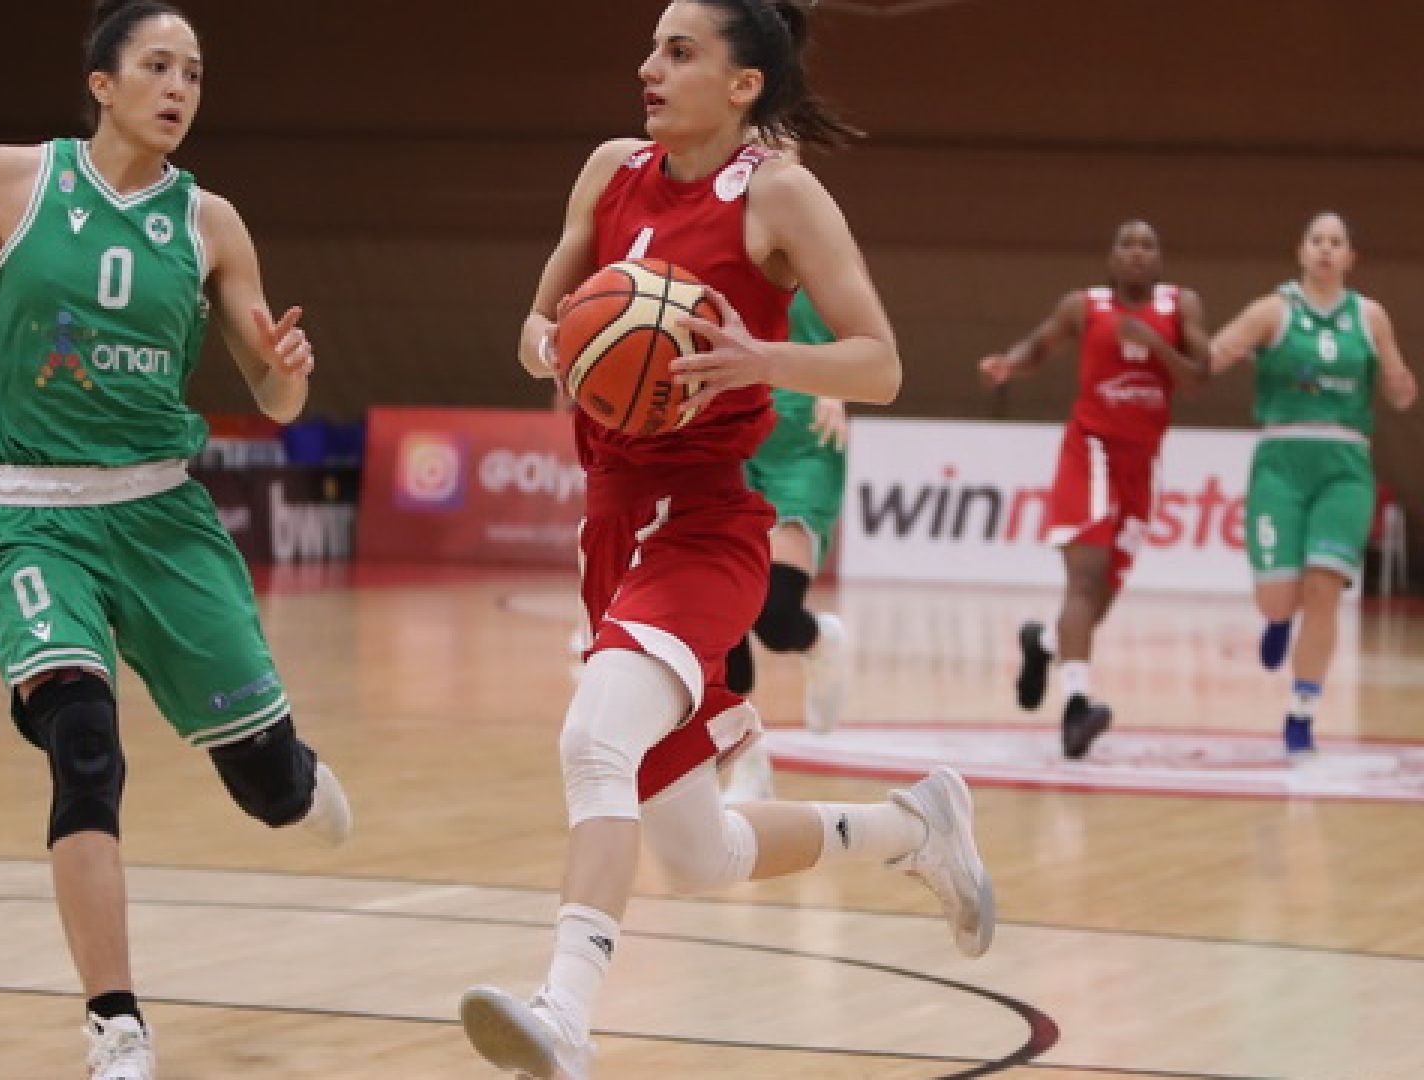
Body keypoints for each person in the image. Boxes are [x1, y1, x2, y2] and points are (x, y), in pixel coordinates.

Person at [0, 4, 353, 1077]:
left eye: (194, 73)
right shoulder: (9, 180)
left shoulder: (212, 225)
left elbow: (273, 392)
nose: (179, 88)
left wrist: (288, 371)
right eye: (157, 66)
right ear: (102, 83)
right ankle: (116, 1023)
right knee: (84, 746)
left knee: (267, 792)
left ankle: (293, 773)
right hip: (34, 514)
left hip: (161, 516)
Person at [458, 4, 994, 1077]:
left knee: (593, 742)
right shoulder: (610, 171)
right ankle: (914, 828)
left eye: (679, 51)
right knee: (699, 852)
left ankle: (566, 1015)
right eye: (654, 47)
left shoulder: (779, 195)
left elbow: (880, 362)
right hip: (611, 523)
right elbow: (532, 329)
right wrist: (561, 345)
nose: (648, 66)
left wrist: (763, 360)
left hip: (705, 523)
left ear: (744, 84)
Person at [979, 220, 1210, 759]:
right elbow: (1039, 346)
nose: (1136, 253)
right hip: (1091, 453)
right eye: (1126, 244)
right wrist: (1008, 364)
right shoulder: (1084, 306)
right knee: (1084, 578)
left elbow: (1200, 378)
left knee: (1102, 594)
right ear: (1111, 258)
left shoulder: (1182, 306)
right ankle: (1077, 707)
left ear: (1160, 259)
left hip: (1142, 466)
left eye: (1147, 245)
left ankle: (1044, 644)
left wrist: (1157, 346)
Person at [1209, 212, 1415, 755]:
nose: (1326, 249)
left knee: (1324, 589)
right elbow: (1213, 355)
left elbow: (1400, 392)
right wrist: (1211, 351)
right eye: (1317, 240)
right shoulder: (1272, 310)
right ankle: (1278, 622)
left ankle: (1302, 712)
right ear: (1301, 252)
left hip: (1345, 462)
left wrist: (1398, 383)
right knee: (1278, 598)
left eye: (1336, 242)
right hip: (1282, 459)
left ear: (1350, 258)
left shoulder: (1370, 316)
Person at [721, 289, 849, 804]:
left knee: (774, 617)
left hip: (803, 434)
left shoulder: (825, 257)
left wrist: (839, 388)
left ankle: (819, 640)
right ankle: (750, 765)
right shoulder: (711, 255)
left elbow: (868, 340)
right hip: (729, 428)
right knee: (722, 613)